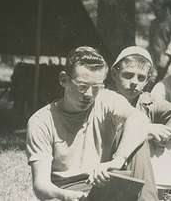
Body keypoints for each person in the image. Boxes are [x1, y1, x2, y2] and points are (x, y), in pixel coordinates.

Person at [27, 46, 158, 201]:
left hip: (104, 184)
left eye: (96, 88)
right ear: (64, 80)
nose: (89, 94)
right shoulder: (41, 121)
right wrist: (66, 196)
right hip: (67, 191)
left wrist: (118, 160)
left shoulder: (106, 99)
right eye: (82, 87)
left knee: (137, 136)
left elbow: (140, 119)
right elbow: (41, 185)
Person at [112, 45, 171, 146]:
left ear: (147, 81)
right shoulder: (102, 98)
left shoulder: (147, 102)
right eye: (128, 75)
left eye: (141, 78)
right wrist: (145, 129)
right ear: (114, 74)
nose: (134, 82)